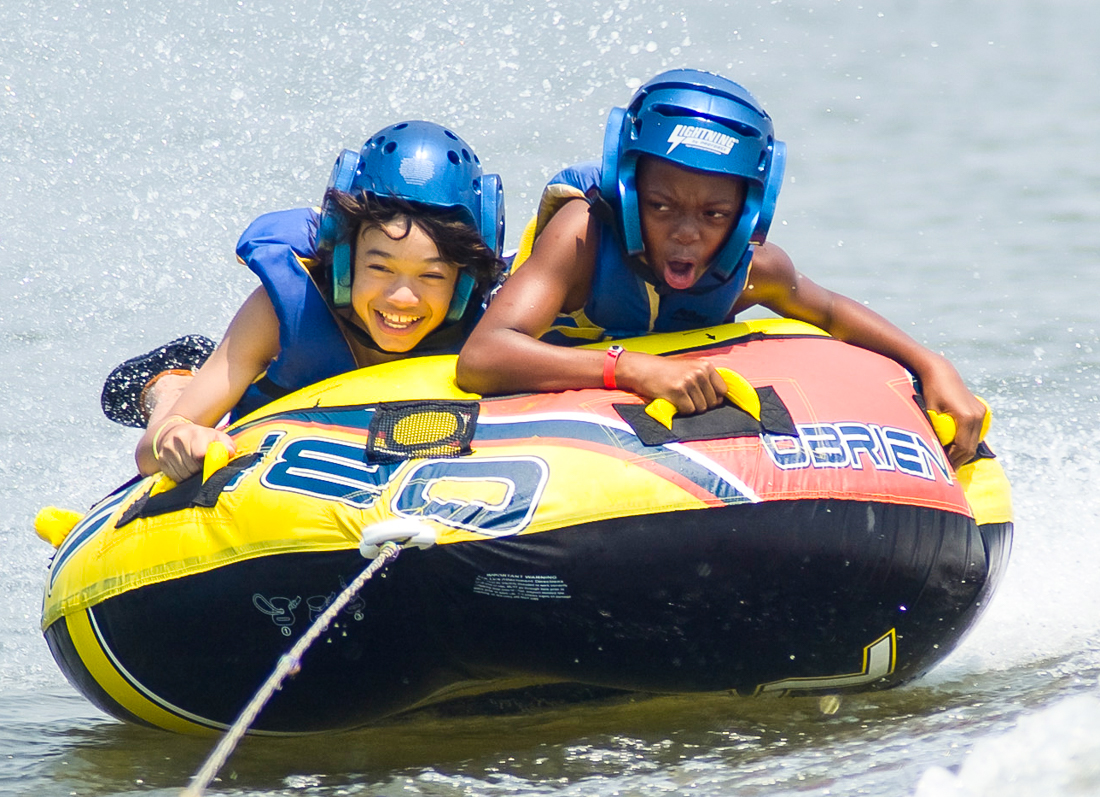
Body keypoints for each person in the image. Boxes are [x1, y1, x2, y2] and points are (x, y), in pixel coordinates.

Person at [456, 68, 986, 467]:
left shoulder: (753, 270)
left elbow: (831, 311)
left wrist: (931, 363)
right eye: (661, 207)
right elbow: (483, 355)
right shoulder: (583, 237)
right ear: (629, 192)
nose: (687, 233)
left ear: (746, 217)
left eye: (714, 215)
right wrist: (633, 368)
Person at [122, 120, 505, 482]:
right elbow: (148, 453)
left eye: (432, 275)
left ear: (464, 281)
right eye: (380, 268)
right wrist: (177, 433)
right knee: (179, 409)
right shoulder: (282, 313)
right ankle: (171, 385)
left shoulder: (494, 325)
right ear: (344, 260)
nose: (402, 298)